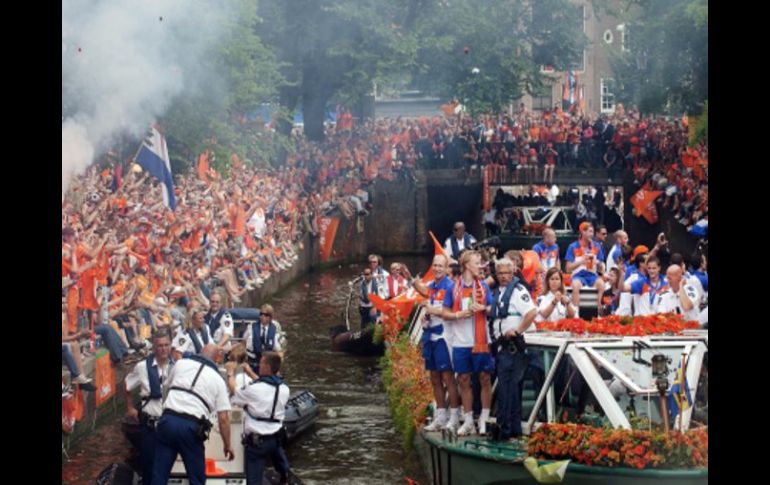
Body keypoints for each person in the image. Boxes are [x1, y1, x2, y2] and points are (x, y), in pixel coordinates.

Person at [151, 344, 234, 485]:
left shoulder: (180, 364)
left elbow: (166, 388)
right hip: (191, 428)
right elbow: (223, 419)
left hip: (168, 421)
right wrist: (227, 445)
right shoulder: (218, 380)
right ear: (217, 358)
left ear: (201, 352)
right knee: (196, 478)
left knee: (159, 474)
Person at [441, 250, 493, 436]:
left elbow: (492, 308)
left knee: (484, 378)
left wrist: (484, 308)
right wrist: (458, 315)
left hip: (481, 341)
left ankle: (484, 419)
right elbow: (444, 313)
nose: (481, 266)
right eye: (477, 263)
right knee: (463, 380)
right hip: (461, 341)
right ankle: (469, 419)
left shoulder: (484, 287)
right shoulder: (453, 288)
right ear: (466, 266)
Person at [489, 258, 538, 441]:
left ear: (512, 273)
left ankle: (509, 430)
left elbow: (531, 312)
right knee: (506, 389)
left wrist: (517, 331)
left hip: (512, 348)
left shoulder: (518, 291)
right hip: (501, 346)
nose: (503, 277)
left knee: (509, 389)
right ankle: (508, 428)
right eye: (500, 273)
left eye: (506, 273)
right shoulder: (499, 292)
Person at [413, 254, 460, 431]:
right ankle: (440, 416)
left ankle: (454, 416)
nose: (438, 269)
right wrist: (426, 316)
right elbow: (430, 307)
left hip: (444, 337)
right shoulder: (431, 287)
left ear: (446, 268)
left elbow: (453, 311)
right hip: (430, 336)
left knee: (448, 377)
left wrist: (435, 311)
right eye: (435, 265)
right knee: (434, 377)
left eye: (441, 266)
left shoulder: (451, 286)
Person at [230, 352, 290, 485]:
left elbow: (234, 390)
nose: (259, 365)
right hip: (276, 439)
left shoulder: (254, 389)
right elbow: (266, 385)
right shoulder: (284, 388)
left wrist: (229, 373)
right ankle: (285, 475)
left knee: (254, 480)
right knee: (282, 467)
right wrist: (250, 372)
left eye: (262, 363)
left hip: (258, 442)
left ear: (268, 367)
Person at [124, 330, 175, 485]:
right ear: (154, 347)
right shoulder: (142, 367)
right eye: (160, 346)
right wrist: (130, 408)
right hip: (150, 425)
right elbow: (127, 386)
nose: (163, 349)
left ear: (171, 346)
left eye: (166, 345)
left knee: (168, 466)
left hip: (170, 424)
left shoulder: (177, 367)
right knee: (149, 465)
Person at [564, 222, 605, 313]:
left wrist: (598, 263)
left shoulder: (596, 246)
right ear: (583, 232)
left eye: (592, 232)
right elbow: (568, 268)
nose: (592, 234)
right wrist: (581, 261)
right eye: (590, 231)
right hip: (578, 276)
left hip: (592, 275)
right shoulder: (573, 246)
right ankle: (575, 311)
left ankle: (599, 308)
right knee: (575, 285)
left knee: (601, 284)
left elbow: (601, 268)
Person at [243, 304, 282, 373]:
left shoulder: (274, 329)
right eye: (261, 314)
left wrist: (278, 367)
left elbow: (279, 350)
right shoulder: (251, 327)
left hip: (268, 362)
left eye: (266, 315)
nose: (263, 316)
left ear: (270, 317)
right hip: (253, 360)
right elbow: (243, 342)